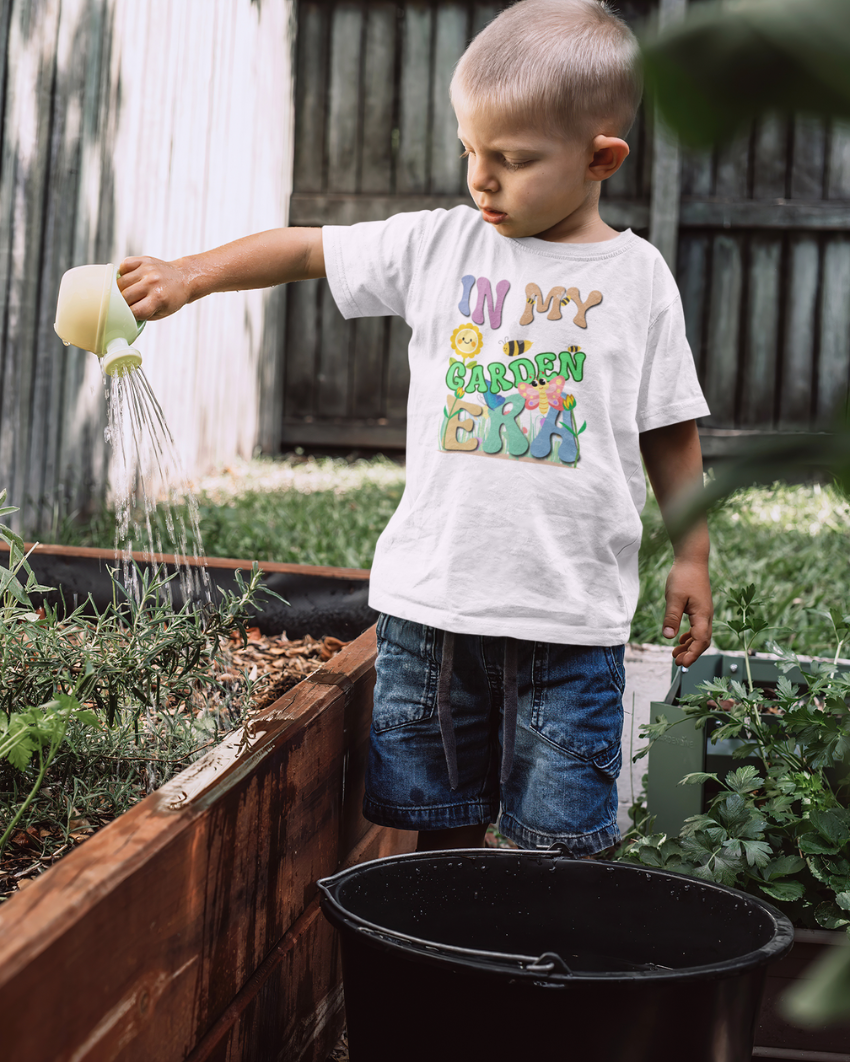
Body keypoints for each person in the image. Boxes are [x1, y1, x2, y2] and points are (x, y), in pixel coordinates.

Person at [118, 0, 713, 857]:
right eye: (471, 150)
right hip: (433, 606)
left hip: (570, 619)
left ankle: (530, 978)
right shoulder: (440, 245)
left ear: (601, 158)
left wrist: (690, 554)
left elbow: (668, 425)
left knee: (558, 849)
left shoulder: (638, 278)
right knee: (437, 829)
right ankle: (441, 967)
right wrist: (190, 274)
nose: (482, 179)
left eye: (512, 160)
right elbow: (303, 249)